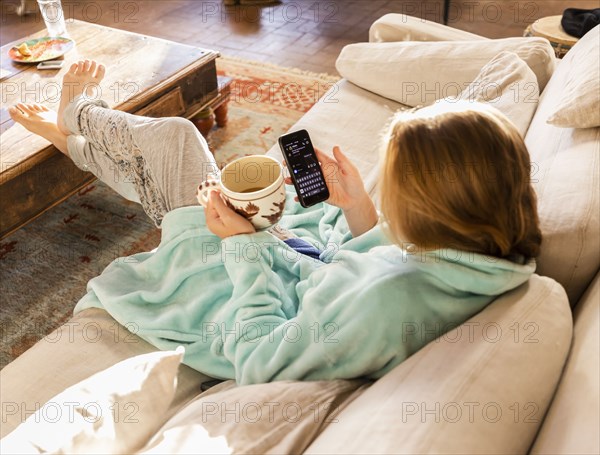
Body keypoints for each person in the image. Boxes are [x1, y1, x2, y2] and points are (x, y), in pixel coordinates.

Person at [9, 60, 541, 385]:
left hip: (234, 272)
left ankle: (77, 115)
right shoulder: (478, 252)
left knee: (175, 140)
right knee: (168, 174)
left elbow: (261, 358)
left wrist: (243, 246)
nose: (389, 192)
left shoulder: (391, 304)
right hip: (285, 255)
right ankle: (73, 139)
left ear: (431, 207)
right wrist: (357, 207)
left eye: (395, 184)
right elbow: (376, 265)